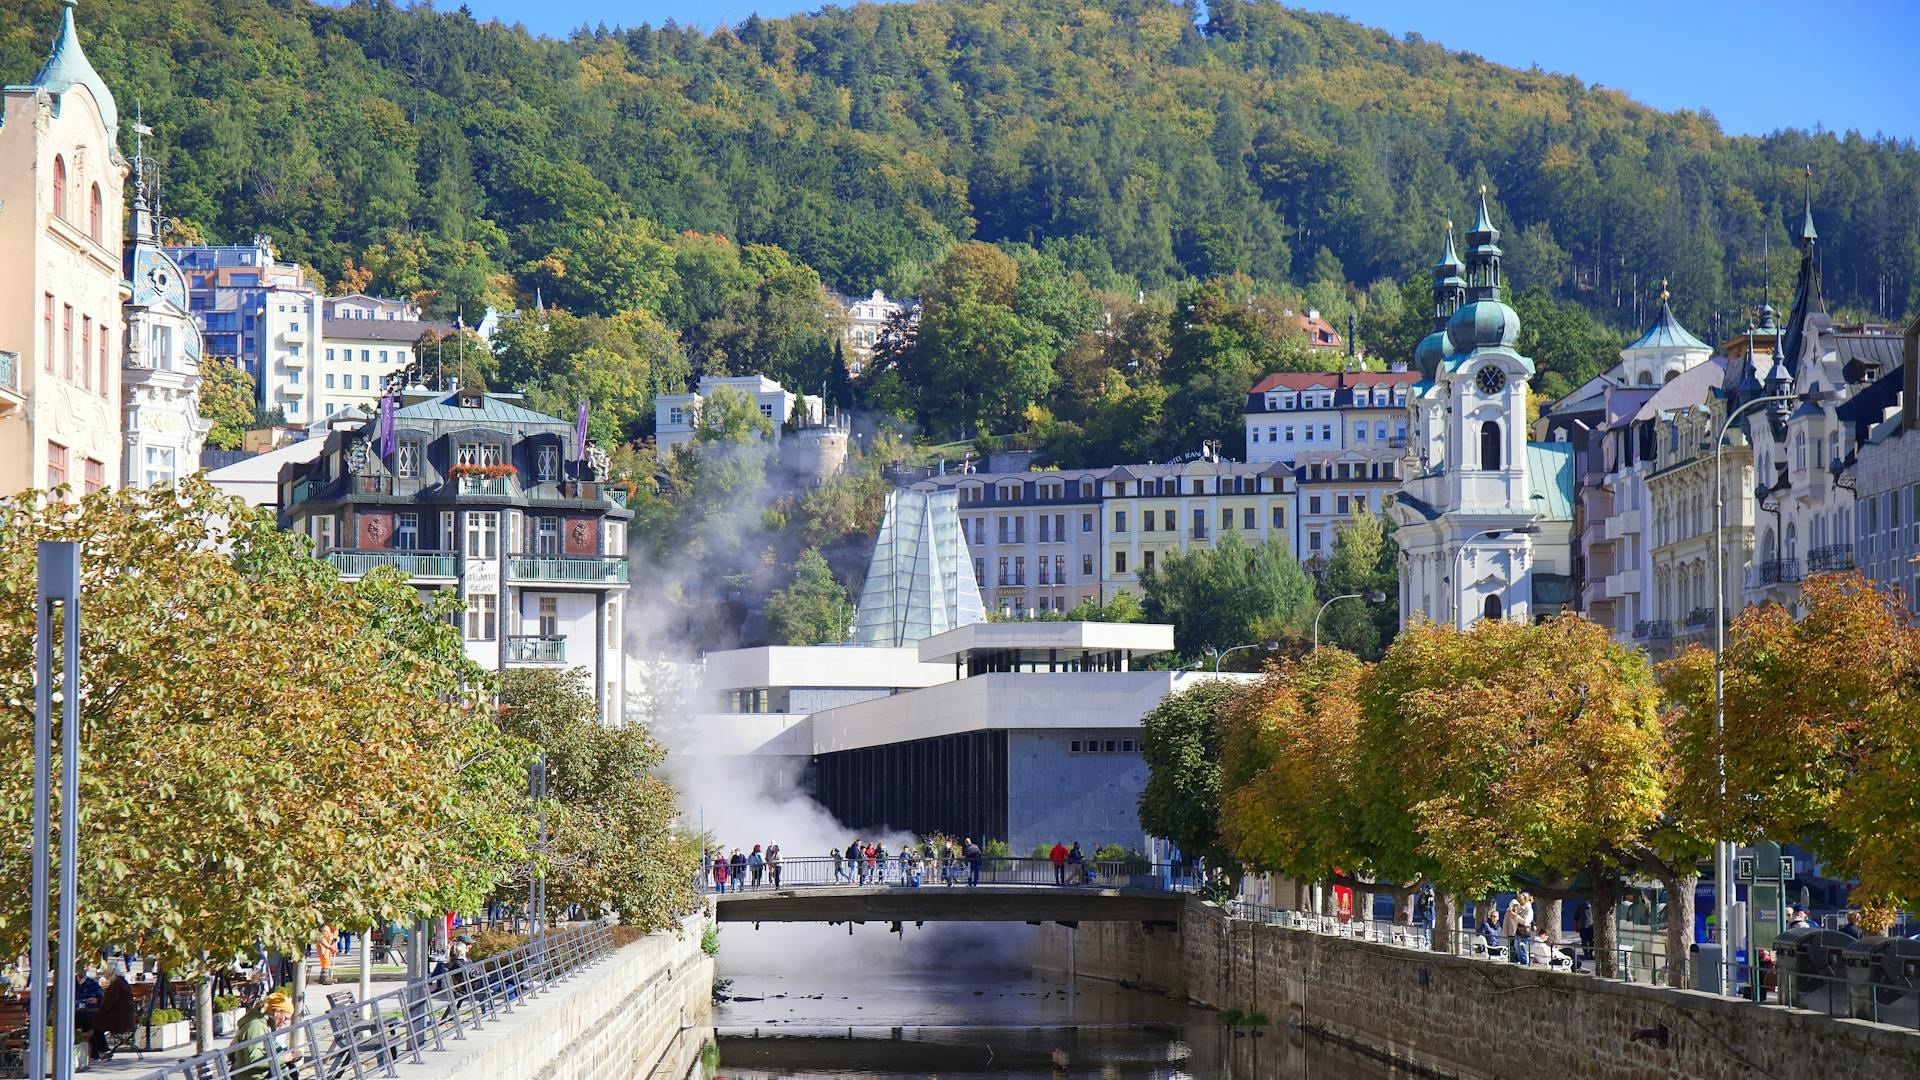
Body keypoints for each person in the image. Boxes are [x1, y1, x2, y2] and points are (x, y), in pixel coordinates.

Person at [229, 990, 298, 1076]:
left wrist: (287, 1056)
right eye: (285, 1018)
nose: (285, 1022)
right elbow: (254, 1060)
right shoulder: (256, 1025)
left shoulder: (264, 1023)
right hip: (251, 1076)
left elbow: (275, 1046)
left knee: (289, 1070)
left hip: (254, 1074)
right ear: (277, 1012)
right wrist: (284, 1058)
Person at [90, 965, 133, 1060]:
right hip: (125, 1018)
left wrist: (98, 1008)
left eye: (105, 972)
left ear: (110, 973)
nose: (103, 974)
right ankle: (100, 1050)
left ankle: (102, 1050)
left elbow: (107, 1004)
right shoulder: (122, 982)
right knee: (95, 1021)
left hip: (119, 1020)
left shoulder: (115, 985)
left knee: (93, 1023)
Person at [1573, 901, 1595, 973]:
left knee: (1584, 940)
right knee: (1591, 940)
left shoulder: (1580, 906)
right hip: (1591, 926)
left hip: (1583, 925)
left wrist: (1577, 925)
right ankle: (1590, 954)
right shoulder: (1594, 906)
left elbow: (1576, 917)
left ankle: (1586, 954)